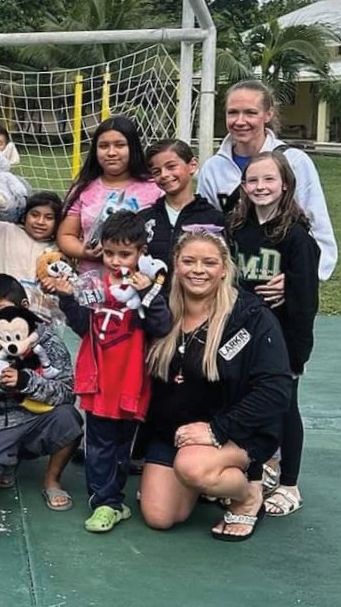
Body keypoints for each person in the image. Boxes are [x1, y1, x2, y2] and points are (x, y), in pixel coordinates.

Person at [139, 228, 292, 541]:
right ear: (175, 264)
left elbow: (275, 391)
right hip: (175, 434)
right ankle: (205, 483)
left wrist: (216, 430)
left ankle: (248, 494)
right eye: (189, 261)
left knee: (194, 467)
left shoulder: (250, 318)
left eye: (209, 263)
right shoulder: (159, 309)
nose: (198, 270)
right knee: (160, 516)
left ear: (224, 268)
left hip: (233, 432)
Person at [59, 211, 172, 532]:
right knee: (99, 445)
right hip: (98, 381)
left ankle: (115, 499)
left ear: (141, 253)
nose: (116, 260)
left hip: (131, 381)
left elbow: (161, 326)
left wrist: (149, 293)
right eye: (109, 253)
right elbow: (83, 327)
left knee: (123, 447)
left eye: (125, 254)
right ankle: (104, 502)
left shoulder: (146, 288)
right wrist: (67, 299)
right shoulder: (94, 284)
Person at [229, 151, 319, 517]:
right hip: (242, 333)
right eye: (253, 180)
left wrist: (297, 351)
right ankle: (255, 471)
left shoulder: (297, 238)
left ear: (285, 184)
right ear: (243, 185)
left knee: (284, 405)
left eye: (269, 179)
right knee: (244, 401)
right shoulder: (236, 229)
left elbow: (306, 299)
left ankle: (289, 483)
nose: (260, 187)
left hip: (281, 337)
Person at [196, 79, 337, 282]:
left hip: (280, 283)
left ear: (268, 114)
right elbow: (208, 229)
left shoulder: (294, 161)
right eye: (233, 112)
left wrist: (299, 280)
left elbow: (317, 225)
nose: (240, 121)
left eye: (250, 113)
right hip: (232, 285)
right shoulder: (212, 168)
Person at [0, 275, 83, 510]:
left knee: (70, 419)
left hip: (40, 416)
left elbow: (67, 391)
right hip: (0, 418)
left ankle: (52, 480)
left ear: (24, 307)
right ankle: (9, 461)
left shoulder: (47, 338)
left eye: (2, 309)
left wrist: (26, 382)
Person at [57, 116, 162, 275]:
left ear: (133, 148)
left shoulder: (155, 188)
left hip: (138, 287)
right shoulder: (84, 188)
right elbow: (66, 235)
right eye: (104, 146)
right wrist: (85, 252)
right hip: (91, 286)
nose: (111, 152)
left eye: (120, 145)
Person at [138, 139, 227, 274]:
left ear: (192, 165)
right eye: (156, 171)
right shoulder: (143, 219)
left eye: (171, 166)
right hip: (150, 294)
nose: (164, 175)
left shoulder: (214, 219)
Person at [0, 191, 62, 319]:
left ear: (57, 223)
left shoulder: (59, 248)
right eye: (34, 215)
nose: (40, 222)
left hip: (38, 319)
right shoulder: (4, 231)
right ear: (24, 217)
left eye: (49, 218)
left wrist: (55, 283)